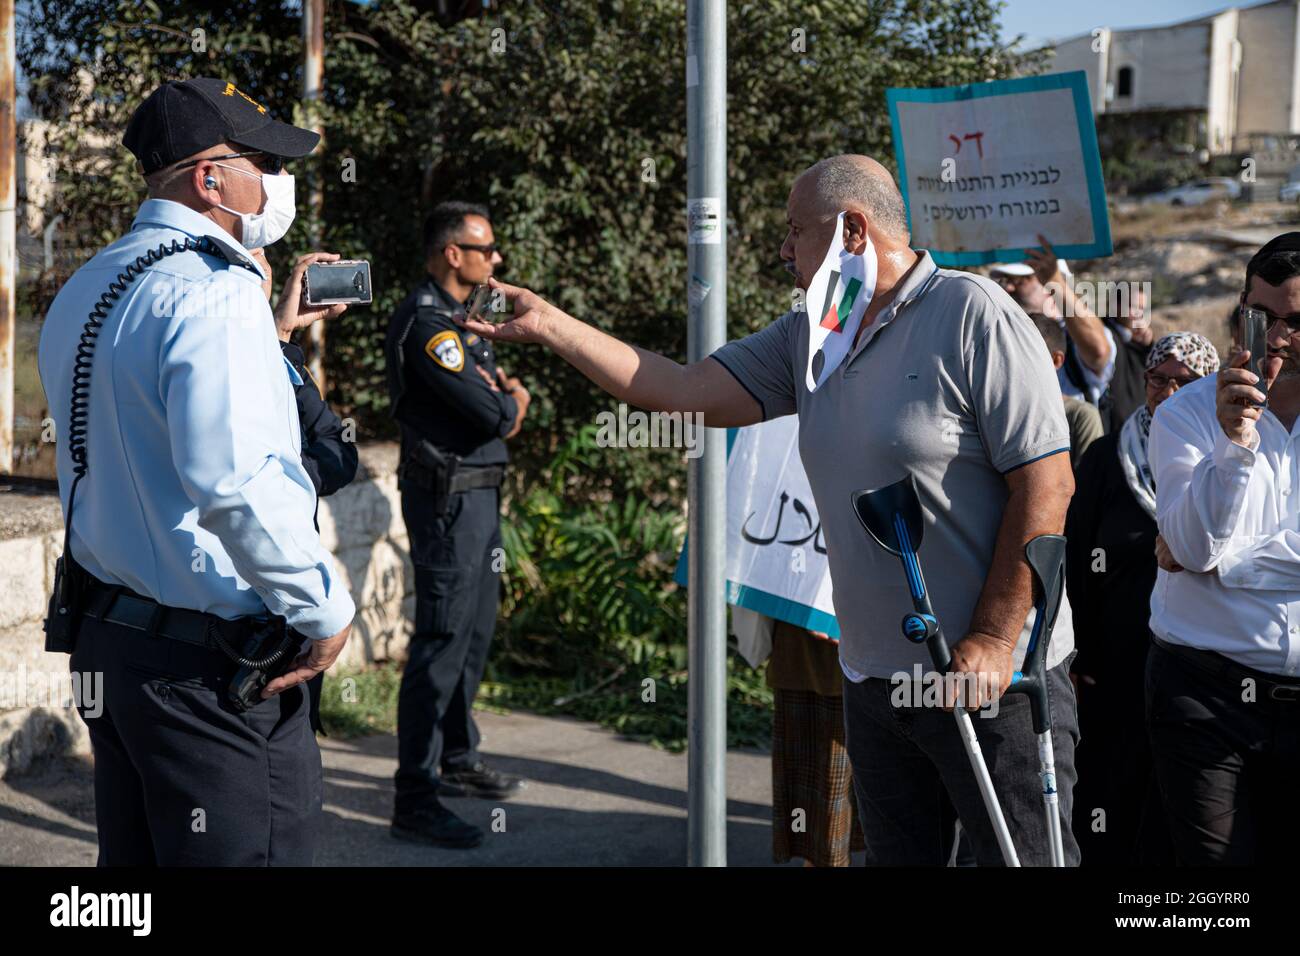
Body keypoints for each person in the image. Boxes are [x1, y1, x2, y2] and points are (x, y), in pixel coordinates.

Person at [463, 155, 1080, 866]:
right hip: (876, 682)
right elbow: (685, 392)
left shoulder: (973, 313)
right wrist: (550, 325)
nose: (784, 248)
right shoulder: (815, 332)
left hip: (989, 684)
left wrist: (995, 642)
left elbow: (1046, 483)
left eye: (795, 231)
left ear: (853, 229)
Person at [37, 78, 355, 865]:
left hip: (112, 644)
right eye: (260, 161)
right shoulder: (215, 289)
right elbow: (236, 477)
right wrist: (323, 609)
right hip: (207, 671)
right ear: (210, 178)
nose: (275, 183)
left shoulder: (91, 283)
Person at [1147, 232, 1300, 865]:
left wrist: (1231, 562)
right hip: (1204, 692)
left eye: (1299, 322)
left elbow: (1203, 555)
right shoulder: (1185, 414)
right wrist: (1235, 442)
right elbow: (1191, 543)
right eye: (1265, 318)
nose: (1281, 338)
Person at [387, 200, 530, 848]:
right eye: (485, 248)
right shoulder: (428, 326)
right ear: (453, 253)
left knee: (471, 637)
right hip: (448, 504)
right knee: (440, 643)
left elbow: (492, 399)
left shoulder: (463, 322)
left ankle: (457, 757)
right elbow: (494, 410)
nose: (494, 259)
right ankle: (413, 797)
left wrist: (504, 399)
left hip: (479, 499)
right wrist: (512, 400)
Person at [1065, 332, 1218, 865]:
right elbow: (1075, 557)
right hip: (1116, 667)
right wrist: (1077, 657)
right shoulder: (1109, 458)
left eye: (1188, 383)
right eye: (1159, 380)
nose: (1170, 394)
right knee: (1112, 791)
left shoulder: (1228, 461)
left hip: (1204, 668)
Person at [249, 245, 361, 733]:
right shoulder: (204, 357)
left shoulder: (274, 354)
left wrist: (279, 332)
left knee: (293, 749)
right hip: (232, 616)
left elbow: (339, 453)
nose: (256, 273)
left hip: (285, 614)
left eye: (260, 261)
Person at [992, 242, 1116, 406]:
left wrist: (1054, 281)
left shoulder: (1074, 338)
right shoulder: (1003, 336)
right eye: (1005, 281)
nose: (1008, 288)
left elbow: (1098, 352)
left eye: (1021, 281)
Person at [1026, 312, 1104, 468]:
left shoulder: (1081, 416)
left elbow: (1089, 483)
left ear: (1056, 360)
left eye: (1030, 353)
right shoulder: (1001, 409)